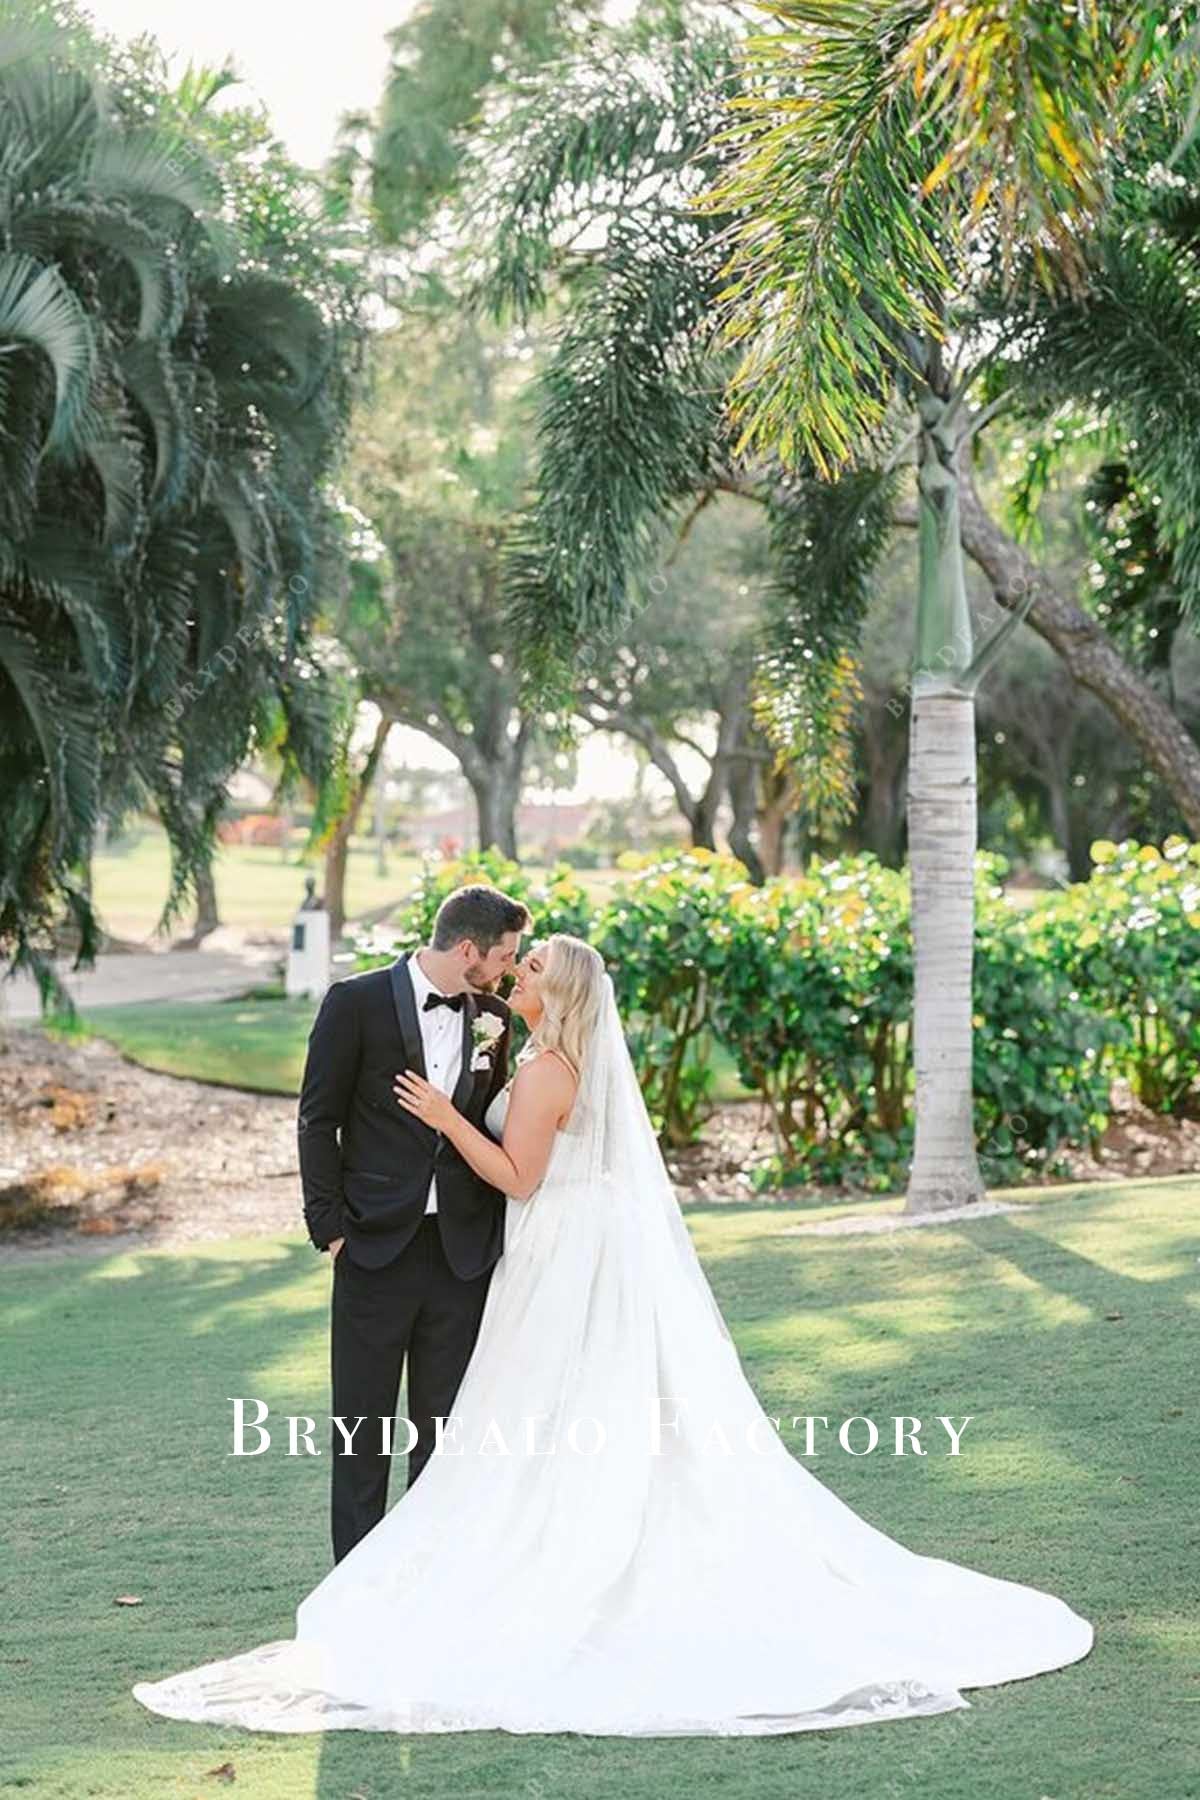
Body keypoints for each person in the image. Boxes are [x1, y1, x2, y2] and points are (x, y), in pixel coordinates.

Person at [133, 933, 1093, 1736]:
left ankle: (497, 1570)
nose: (515, 974)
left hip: (558, 1248)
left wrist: (439, 1115)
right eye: (514, 960)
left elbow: (517, 1177)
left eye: (531, 964)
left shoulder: (551, 1069)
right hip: (539, 1251)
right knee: (530, 1412)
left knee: (542, 1406)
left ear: (564, 990)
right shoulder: (530, 1050)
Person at [295, 882, 530, 1562]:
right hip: (371, 1246)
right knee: (361, 1432)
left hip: (461, 1254)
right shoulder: (356, 1002)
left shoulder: (493, 1018)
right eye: (505, 956)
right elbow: (318, 1119)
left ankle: (426, 1591)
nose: (510, 969)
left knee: (442, 1435)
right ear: (467, 949)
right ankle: (356, 1595)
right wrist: (330, 1227)